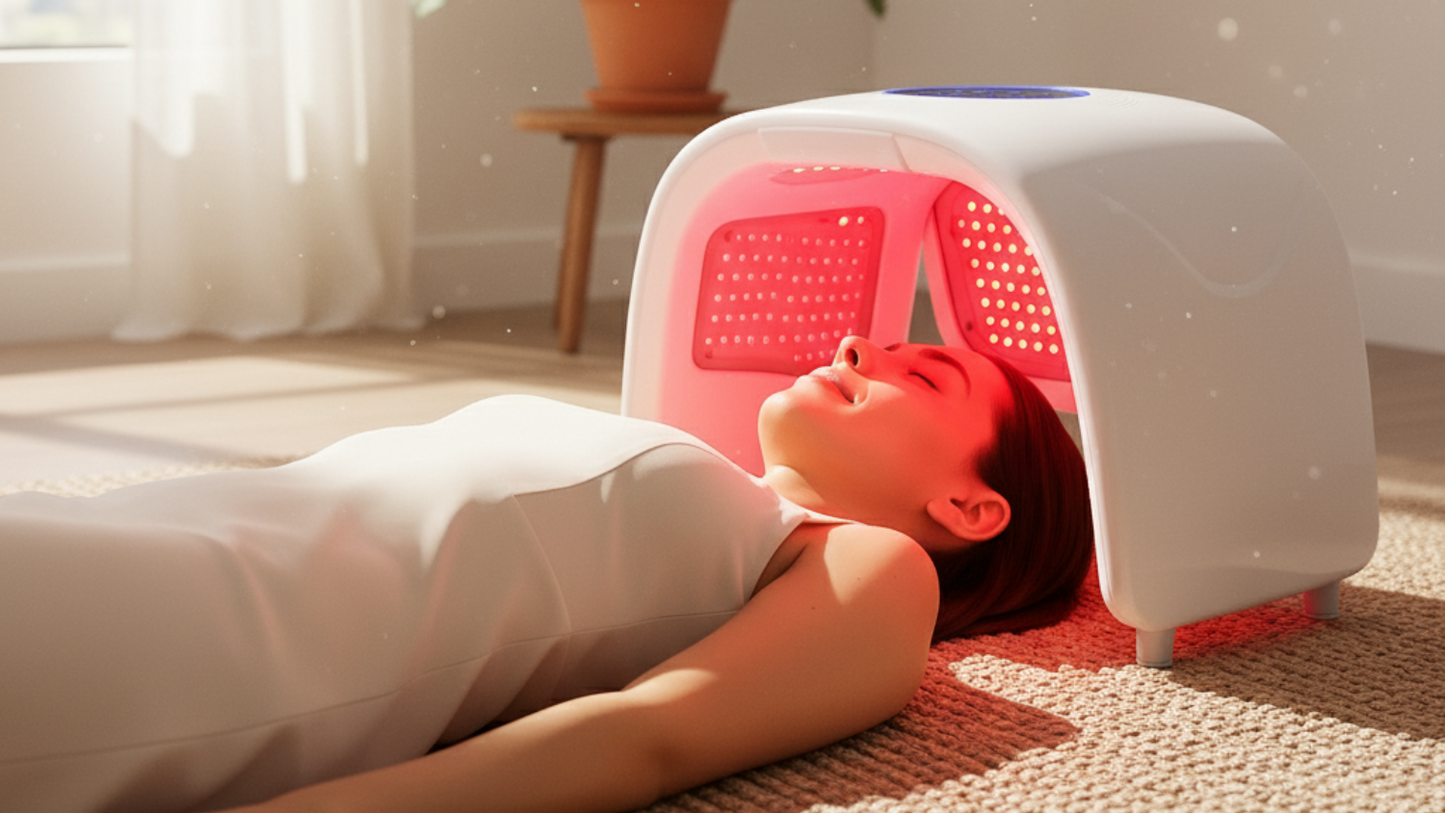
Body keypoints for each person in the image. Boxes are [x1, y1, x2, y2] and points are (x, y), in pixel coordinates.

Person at [0, 336, 1092, 813]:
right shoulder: (718, 488)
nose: (858, 348)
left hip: (199, 638)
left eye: (920, 371)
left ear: (971, 506)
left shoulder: (874, 568)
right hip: (150, 537)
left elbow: (640, 735)